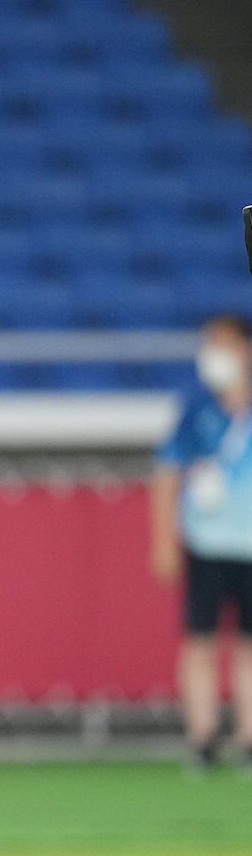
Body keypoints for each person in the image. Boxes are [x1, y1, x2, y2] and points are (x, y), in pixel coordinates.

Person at [153, 313, 252, 771]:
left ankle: (250, 736)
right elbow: (167, 474)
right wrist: (164, 539)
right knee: (201, 641)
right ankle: (203, 735)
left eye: (224, 344)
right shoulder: (197, 409)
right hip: (207, 543)